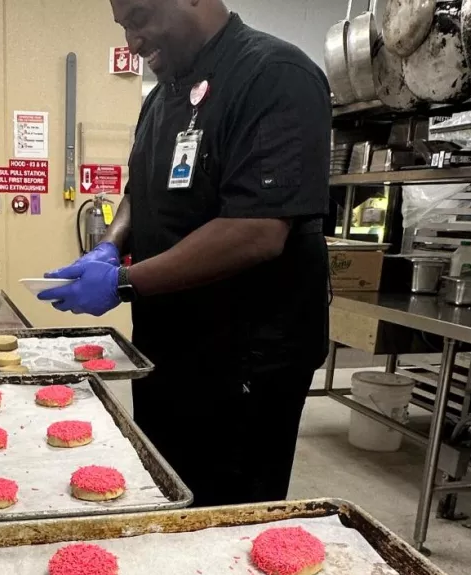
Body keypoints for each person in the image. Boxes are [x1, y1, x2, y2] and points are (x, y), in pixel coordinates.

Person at [39, 0, 331, 507]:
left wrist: (125, 283)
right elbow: (139, 191)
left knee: (225, 514)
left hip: (245, 362)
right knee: (166, 489)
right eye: (124, 26)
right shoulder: (161, 99)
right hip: (168, 348)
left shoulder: (275, 75)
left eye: (139, 18)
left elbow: (257, 230)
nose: (131, 42)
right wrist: (109, 247)